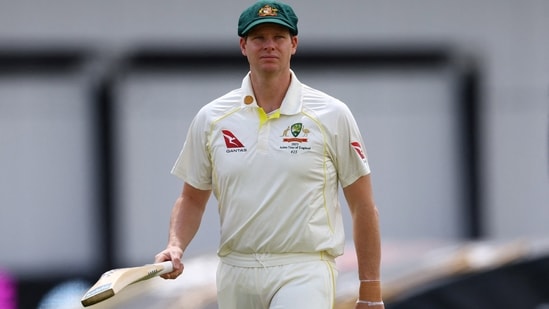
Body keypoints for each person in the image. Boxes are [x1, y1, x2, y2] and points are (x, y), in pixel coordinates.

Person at [154, 1, 384, 308]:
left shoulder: (331, 114)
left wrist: (370, 290)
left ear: (294, 44)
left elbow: (363, 205)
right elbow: (193, 198)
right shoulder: (212, 118)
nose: (269, 46)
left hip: (304, 267)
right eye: (259, 38)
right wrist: (176, 244)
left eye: (278, 37)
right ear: (243, 46)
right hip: (236, 269)